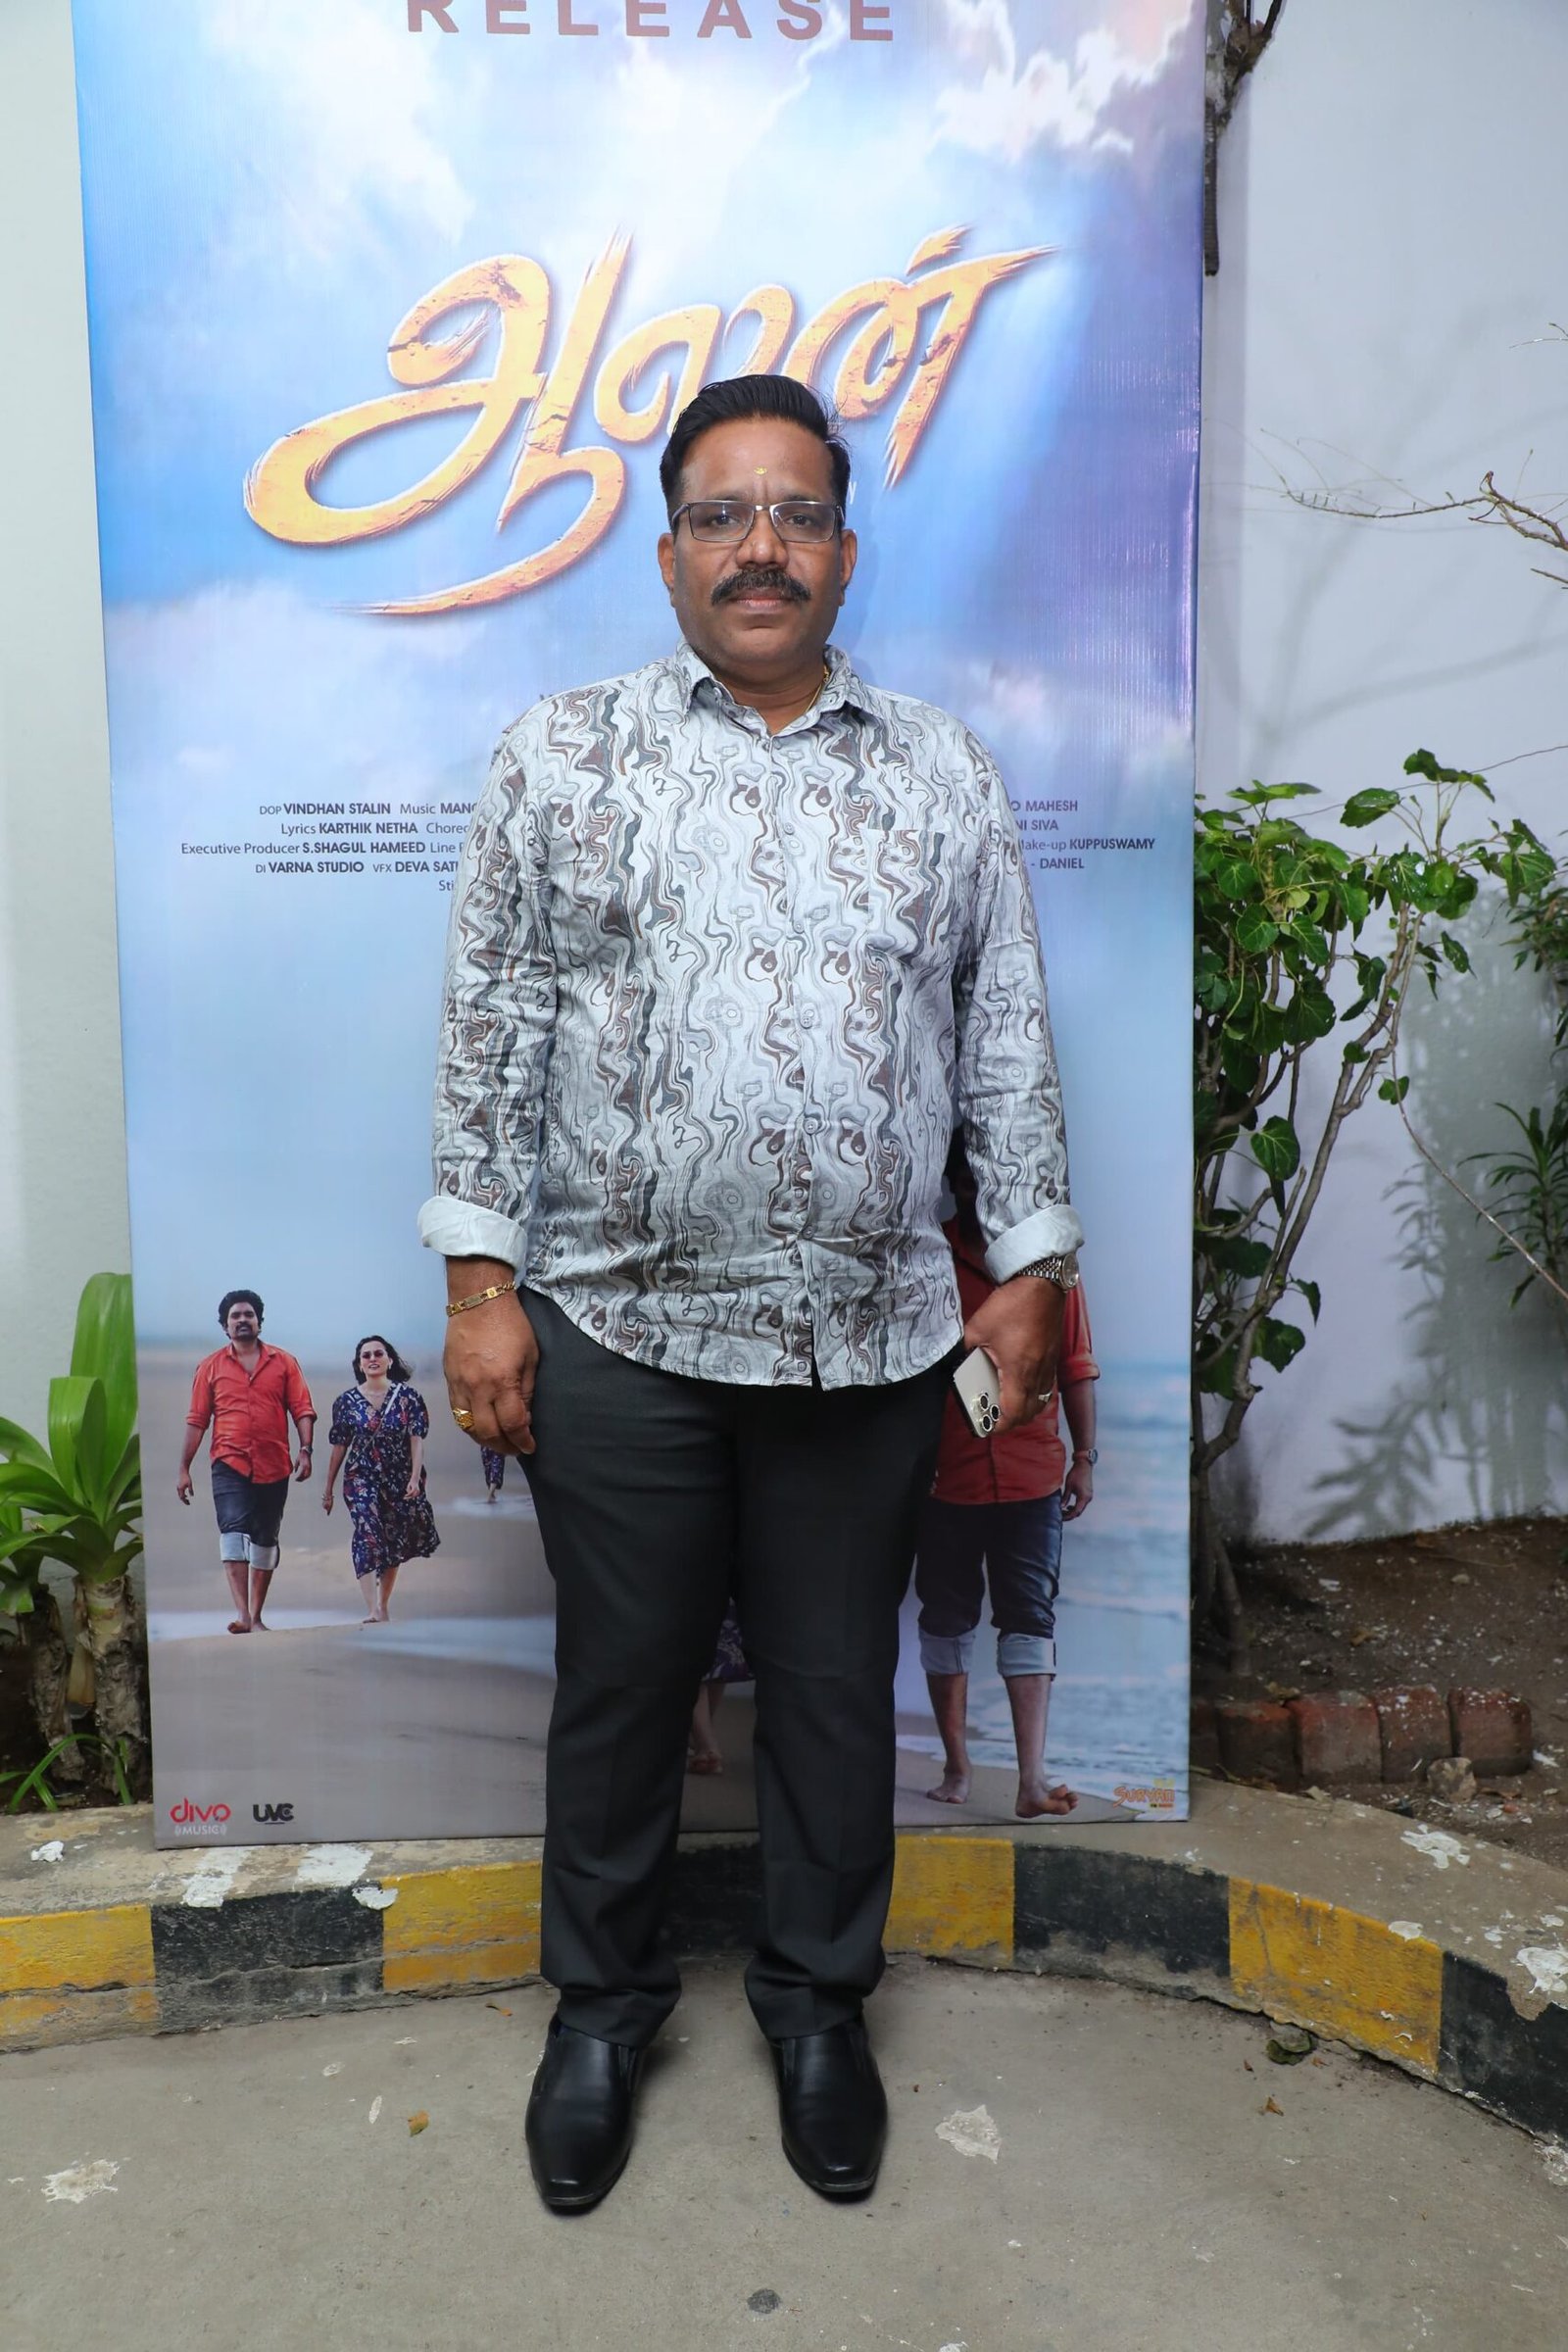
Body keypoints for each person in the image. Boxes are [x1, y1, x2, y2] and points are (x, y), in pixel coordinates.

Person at [418, 373, 1083, 2213]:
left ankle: (816, 2008)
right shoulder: (563, 756)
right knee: (624, 1688)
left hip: (870, 1337)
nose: (761, 547)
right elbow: (494, 1025)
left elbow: (1006, 1034)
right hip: (618, 1323)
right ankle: (601, 2013)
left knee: (832, 1689)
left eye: (796, 515)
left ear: (846, 552)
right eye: (723, 516)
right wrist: (480, 1282)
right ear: (670, 555)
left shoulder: (941, 770)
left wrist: (1032, 1264)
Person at [914, 1143, 1099, 1819]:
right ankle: (956, 1767)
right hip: (945, 1480)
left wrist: (1085, 1457)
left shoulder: (1052, 1264)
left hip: (1031, 1476)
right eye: (969, 1180)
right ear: (955, 1182)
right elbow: (922, 1369)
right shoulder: (927, 1255)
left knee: (1030, 1620)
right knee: (946, 1622)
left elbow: (1076, 1363)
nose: (980, 1191)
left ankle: (1032, 1779)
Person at [176, 1290, 316, 1634]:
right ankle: (242, 1614)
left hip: (274, 1463)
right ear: (225, 1326)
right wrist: (184, 1468)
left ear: (259, 1322)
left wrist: (305, 1449)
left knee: (265, 1538)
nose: (242, 1320)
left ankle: (256, 1615)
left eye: (248, 1315)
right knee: (232, 1531)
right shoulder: (210, 1367)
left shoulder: (284, 1362)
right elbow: (197, 1420)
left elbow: (302, 1408)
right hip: (229, 1461)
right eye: (235, 1316)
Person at [320, 1337, 440, 1622]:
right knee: (367, 1533)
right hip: (360, 1476)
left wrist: (414, 1478)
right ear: (359, 1365)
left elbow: (416, 1440)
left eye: (378, 1353)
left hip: (398, 1477)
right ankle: (372, 1608)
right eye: (366, 1356)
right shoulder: (346, 1402)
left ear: (389, 1360)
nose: (372, 1359)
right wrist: (329, 1488)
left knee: (392, 1539)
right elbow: (339, 1446)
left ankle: (383, 1604)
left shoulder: (409, 1398)